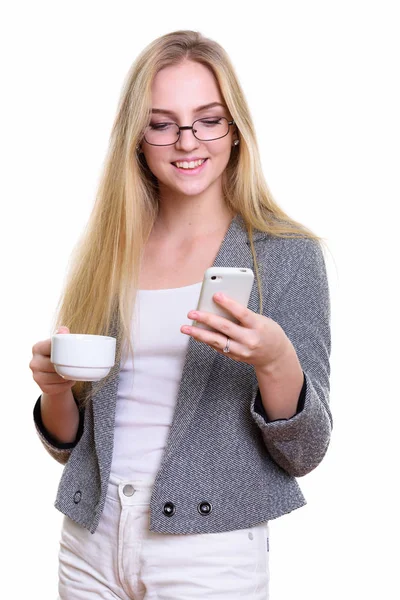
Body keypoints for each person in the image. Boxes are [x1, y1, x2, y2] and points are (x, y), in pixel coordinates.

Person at [30, 29, 332, 600]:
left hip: (209, 546)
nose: (186, 140)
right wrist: (56, 392)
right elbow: (70, 445)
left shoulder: (286, 255)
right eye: (162, 122)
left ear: (236, 130)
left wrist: (275, 362)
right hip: (90, 538)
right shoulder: (109, 250)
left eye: (208, 119)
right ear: (137, 137)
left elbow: (305, 451)